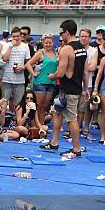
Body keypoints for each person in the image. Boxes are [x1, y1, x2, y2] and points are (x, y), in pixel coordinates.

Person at [41, 20, 88, 158]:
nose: (60, 35)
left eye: (61, 32)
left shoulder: (66, 49)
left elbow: (60, 73)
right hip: (74, 88)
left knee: (71, 119)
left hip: (68, 89)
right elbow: (84, 71)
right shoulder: (81, 48)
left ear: (67, 31)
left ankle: (76, 148)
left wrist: (51, 76)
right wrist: (85, 88)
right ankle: (54, 142)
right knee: (56, 113)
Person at [25, 33, 58, 125]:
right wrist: (33, 74)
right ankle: (34, 125)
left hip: (51, 83)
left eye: (50, 43)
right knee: (38, 106)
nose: (48, 45)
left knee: (45, 106)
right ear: (43, 43)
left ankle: (41, 124)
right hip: (40, 82)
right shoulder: (40, 53)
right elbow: (28, 64)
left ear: (52, 43)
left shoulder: (55, 53)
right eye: (46, 43)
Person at [0, 27, 30, 111]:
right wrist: (11, 46)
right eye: (14, 36)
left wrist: (23, 67)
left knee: (18, 104)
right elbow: (5, 59)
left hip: (20, 80)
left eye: (17, 36)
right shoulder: (7, 45)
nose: (16, 38)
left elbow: (29, 62)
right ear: (11, 37)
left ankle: (16, 121)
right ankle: (3, 121)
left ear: (21, 36)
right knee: (4, 103)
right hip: (7, 79)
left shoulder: (25, 46)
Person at [79, 28, 98, 139]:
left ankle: (83, 128)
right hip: (75, 83)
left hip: (88, 84)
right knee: (73, 108)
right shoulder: (75, 48)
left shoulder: (93, 50)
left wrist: (80, 68)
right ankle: (72, 128)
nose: (83, 38)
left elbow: (93, 67)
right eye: (82, 36)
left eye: (86, 36)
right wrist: (86, 68)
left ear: (90, 38)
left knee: (84, 109)